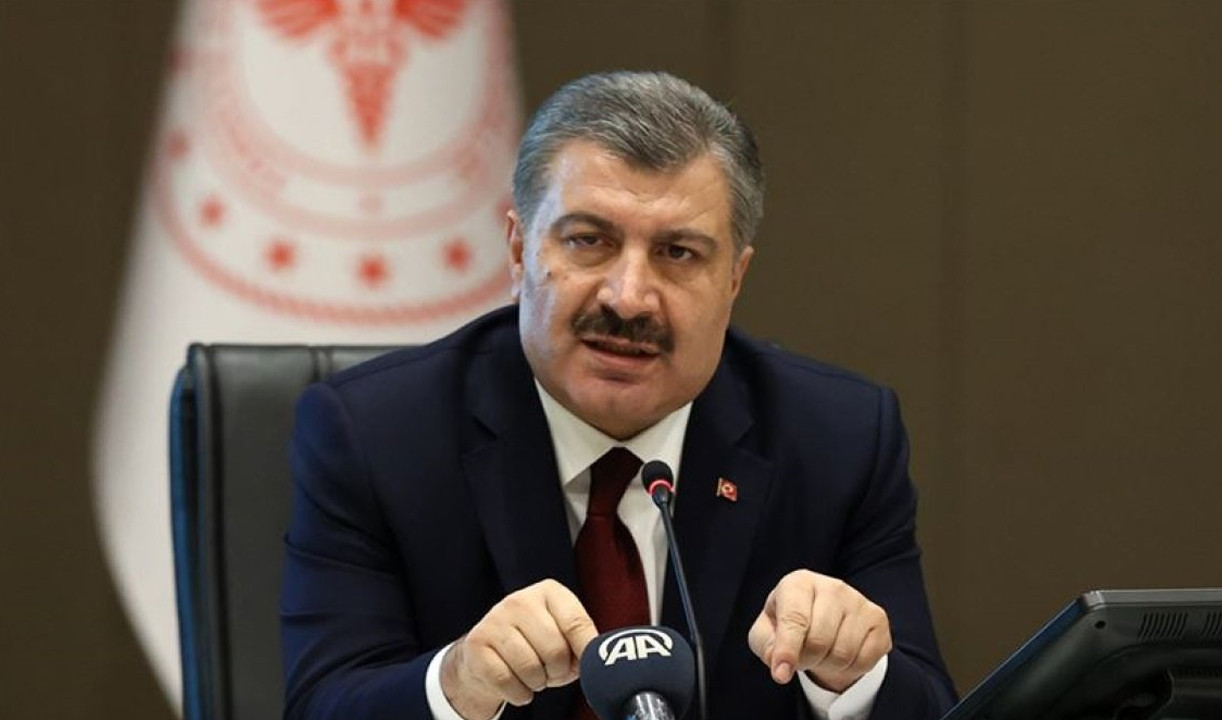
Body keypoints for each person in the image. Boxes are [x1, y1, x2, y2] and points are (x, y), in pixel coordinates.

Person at [281, 70, 956, 720]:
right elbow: (322, 703)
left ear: (734, 279)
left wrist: (853, 677)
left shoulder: (838, 440)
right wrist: (457, 683)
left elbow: (930, 702)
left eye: (678, 253)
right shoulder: (376, 435)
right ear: (518, 252)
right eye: (589, 241)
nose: (629, 298)